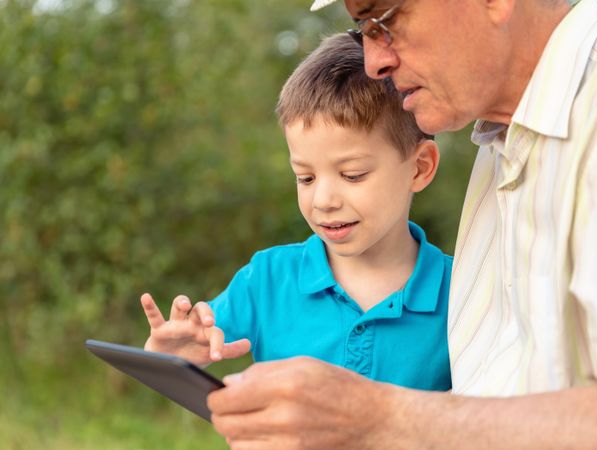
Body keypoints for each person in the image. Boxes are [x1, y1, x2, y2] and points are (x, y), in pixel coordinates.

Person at [206, 0, 597, 448]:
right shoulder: (505, 147)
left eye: (385, 20)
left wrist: (378, 418)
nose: (374, 62)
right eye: (362, 30)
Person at [140, 33, 453, 392]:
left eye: (352, 175)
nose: (323, 200)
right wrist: (167, 357)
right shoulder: (267, 280)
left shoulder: (464, 291)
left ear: (419, 168)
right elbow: (192, 347)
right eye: (305, 177)